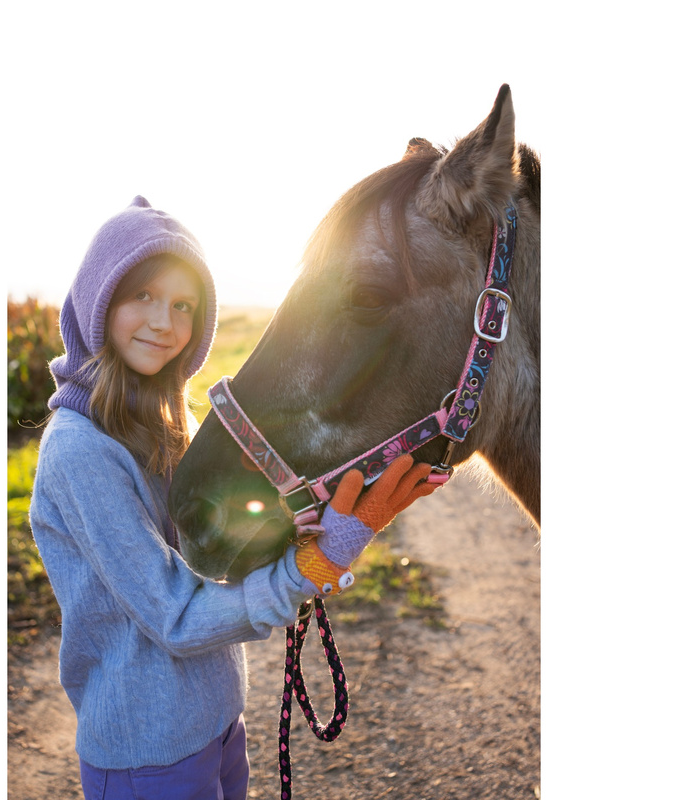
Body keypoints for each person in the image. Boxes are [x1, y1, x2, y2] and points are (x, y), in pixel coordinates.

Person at [29, 195, 437, 800]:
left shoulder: (161, 424)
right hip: (150, 754)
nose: (163, 321)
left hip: (216, 724)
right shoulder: (80, 452)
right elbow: (176, 616)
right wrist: (315, 567)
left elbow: (214, 562)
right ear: (98, 299)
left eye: (182, 304)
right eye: (141, 294)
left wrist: (330, 524)